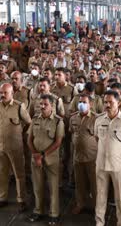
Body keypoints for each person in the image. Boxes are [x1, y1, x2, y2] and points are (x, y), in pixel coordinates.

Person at [94, 90, 121, 226]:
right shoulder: (99, 119)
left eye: (110, 102)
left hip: (119, 165)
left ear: (118, 103)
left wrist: (119, 151)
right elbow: (97, 138)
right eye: (105, 102)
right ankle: (99, 222)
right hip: (101, 164)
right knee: (100, 196)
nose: (107, 104)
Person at [27, 94, 65, 225]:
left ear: (52, 106)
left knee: (53, 187)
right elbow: (29, 139)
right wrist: (35, 154)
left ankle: (54, 213)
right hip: (35, 158)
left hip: (51, 160)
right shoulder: (35, 119)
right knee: (37, 186)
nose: (42, 107)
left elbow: (58, 142)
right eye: (41, 104)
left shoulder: (58, 121)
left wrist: (42, 155)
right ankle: (38, 210)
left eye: (45, 104)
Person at [0, 83, 32, 212]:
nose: (2, 95)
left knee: (19, 174)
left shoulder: (19, 107)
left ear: (12, 93)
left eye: (5, 93)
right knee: (2, 173)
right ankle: (2, 198)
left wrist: (22, 134)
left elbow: (29, 122)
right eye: (1, 92)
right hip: (1, 146)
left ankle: (21, 200)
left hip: (15, 146)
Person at [69, 94, 98, 214]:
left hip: (92, 157)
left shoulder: (96, 119)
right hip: (77, 157)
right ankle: (80, 203)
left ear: (90, 104)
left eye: (84, 102)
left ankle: (97, 206)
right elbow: (72, 133)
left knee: (95, 184)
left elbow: (100, 138)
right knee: (79, 183)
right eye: (80, 102)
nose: (82, 104)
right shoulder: (73, 118)